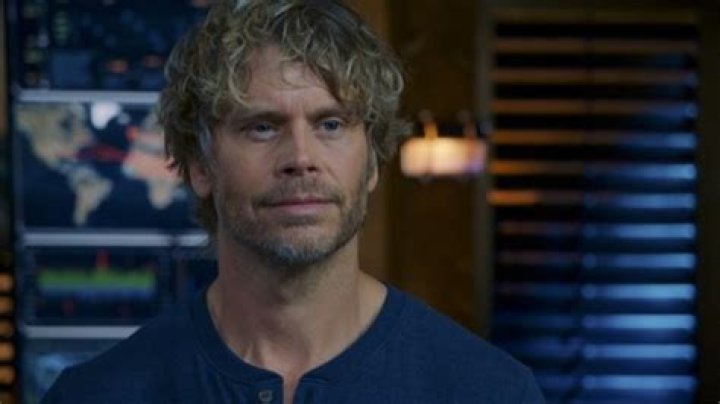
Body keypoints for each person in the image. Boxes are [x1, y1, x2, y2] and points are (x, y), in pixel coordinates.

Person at [42, 0, 545, 403]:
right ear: (200, 166)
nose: (301, 158)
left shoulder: (490, 392)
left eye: (331, 124)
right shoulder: (97, 394)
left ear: (371, 162)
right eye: (262, 127)